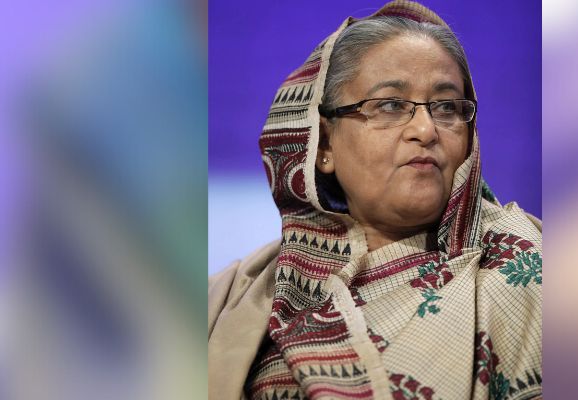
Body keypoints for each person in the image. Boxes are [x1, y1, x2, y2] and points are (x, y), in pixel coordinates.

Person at [208, 1, 542, 399]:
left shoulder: (521, 268)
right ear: (323, 144)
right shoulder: (240, 296)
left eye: (447, 107)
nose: (425, 129)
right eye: (390, 105)